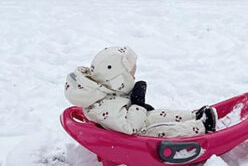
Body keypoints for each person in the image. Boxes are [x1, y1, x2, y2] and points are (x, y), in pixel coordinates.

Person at [64, 46, 216, 137]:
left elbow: (118, 106)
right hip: (136, 137)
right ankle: (201, 127)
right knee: (163, 130)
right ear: (119, 79)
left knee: (157, 115)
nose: (134, 76)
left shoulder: (104, 91)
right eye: (131, 74)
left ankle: (193, 116)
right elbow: (130, 128)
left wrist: (136, 107)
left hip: (135, 121)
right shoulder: (103, 108)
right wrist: (137, 104)